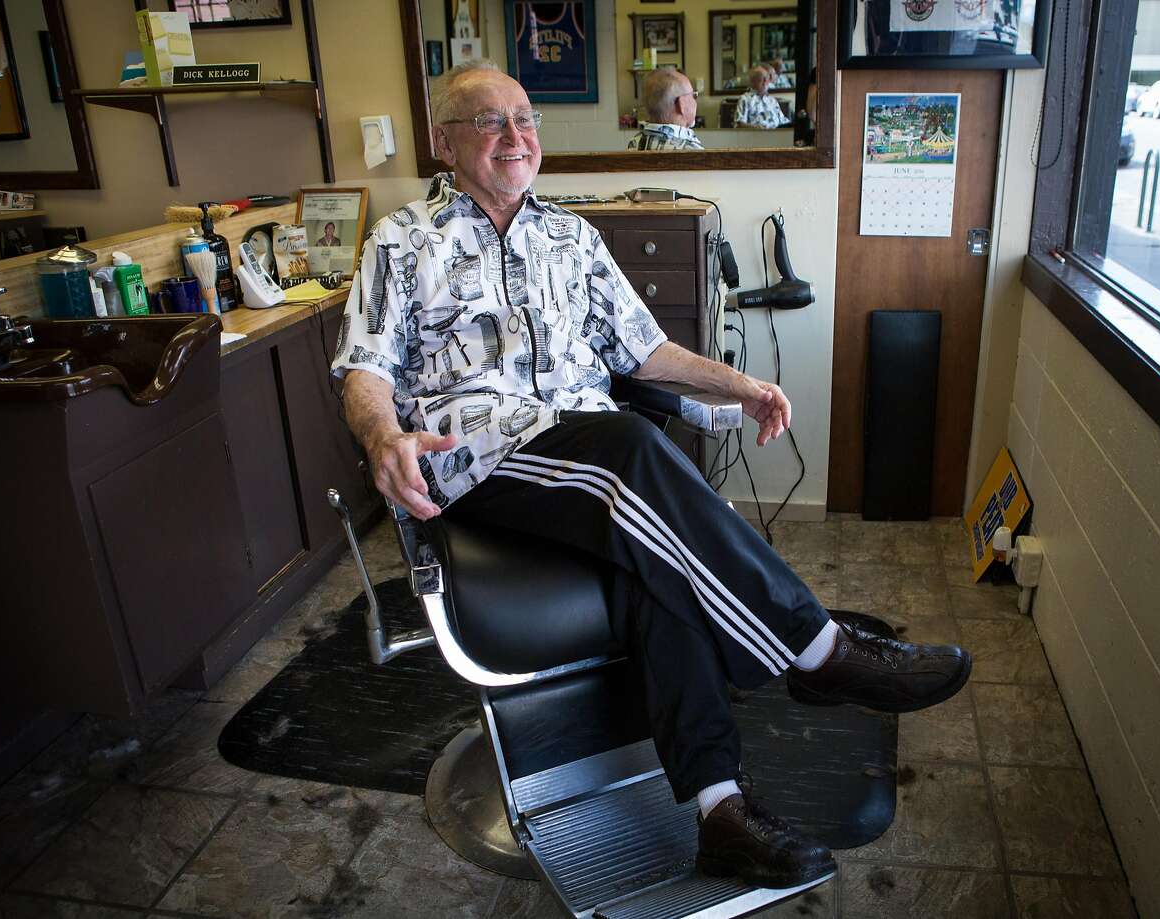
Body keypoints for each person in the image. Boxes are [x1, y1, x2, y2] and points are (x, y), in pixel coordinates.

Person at [332, 59, 971, 891]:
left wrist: (739, 385)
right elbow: (364, 368)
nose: (515, 137)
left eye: (524, 120)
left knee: (657, 565)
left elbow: (646, 350)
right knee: (633, 446)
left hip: (584, 457)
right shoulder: (402, 240)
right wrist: (383, 434)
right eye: (489, 123)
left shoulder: (572, 235)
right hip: (478, 462)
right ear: (445, 142)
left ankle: (720, 811)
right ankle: (819, 653)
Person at [628, 68, 704, 151]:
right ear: (682, 104)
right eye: (693, 96)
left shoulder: (634, 144)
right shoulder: (692, 152)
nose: (695, 101)